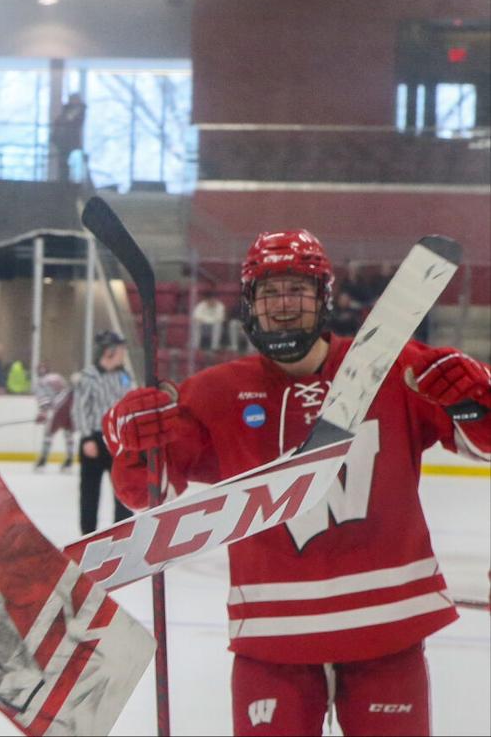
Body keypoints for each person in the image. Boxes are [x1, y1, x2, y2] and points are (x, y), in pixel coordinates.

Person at [102, 229, 491, 737]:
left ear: (323, 298)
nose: (283, 306)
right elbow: (149, 495)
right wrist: (133, 443)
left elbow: (482, 442)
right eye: (269, 293)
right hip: (272, 639)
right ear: (249, 305)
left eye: (298, 290)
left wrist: (474, 400)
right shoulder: (214, 394)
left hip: (388, 629)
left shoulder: (394, 367)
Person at [72, 329, 133, 535]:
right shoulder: (88, 377)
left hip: (118, 440)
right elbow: (80, 409)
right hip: (95, 439)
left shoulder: (124, 376)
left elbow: (127, 403)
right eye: (121, 350)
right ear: (109, 351)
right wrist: (87, 437)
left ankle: (121, 534)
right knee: (90, 492)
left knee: (123, 490)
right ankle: (88, 535)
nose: (123, 353)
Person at [32, 361, 74, 472]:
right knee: (68, 432)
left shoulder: (39, 383)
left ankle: (42, 461)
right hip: (71, 403)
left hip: (59, 406)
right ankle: (69, 460)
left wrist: (43, 413)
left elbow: (44, 400)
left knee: (48, 434)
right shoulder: (57, 376)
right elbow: (66, 389)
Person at [50, 92, 85, 183]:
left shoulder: (78, 111)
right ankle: (64, 180)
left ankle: (68, 180)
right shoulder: (67, 112)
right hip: (64, 143)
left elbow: (71, 121)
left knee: (69, 162)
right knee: (63, 163)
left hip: (70, 143)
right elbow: (62, 122)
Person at [192, 285, 227, 351]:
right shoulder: (201, 305)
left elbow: (220, 319)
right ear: (206, 300)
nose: (211, 301)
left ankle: (214, 347)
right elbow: (196, 317)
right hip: (204, 327)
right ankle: (195, 347)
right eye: (209, 300)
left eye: (213, 299)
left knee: (218, 325)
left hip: (214, 327)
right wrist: (209, 321)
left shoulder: (220, 306)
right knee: (196, 324)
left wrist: (206, 320)